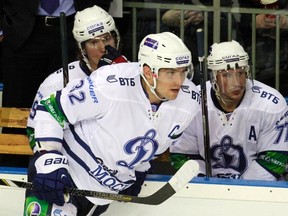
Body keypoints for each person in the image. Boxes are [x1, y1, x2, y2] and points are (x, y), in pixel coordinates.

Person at [24, 32, 200, 215]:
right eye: (170, 72)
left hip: (101, 194)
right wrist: (48, 159)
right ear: (148, 71)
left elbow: (154, 136)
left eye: (182, 71)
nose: (179, 81)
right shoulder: (110, 83)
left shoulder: (189, 102)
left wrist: (140, 167)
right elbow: (51, 108)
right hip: (63, 176)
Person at [0, 0, 113, 167]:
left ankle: (71, 169)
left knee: (74, 101)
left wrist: (95, 19)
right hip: (22, 29)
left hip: (73, 28)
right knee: (18, 101)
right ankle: (12, 174)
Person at [170, 40, 288, 180]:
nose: (237, 83)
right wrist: (205, 185)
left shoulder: (270, 104)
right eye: (227, 75)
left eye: (241, 73)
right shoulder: (191, 102)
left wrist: (239, 191)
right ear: (213, 77)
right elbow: (182, 155)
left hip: (257, 192)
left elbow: (274, 158)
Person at [27, 5, 128, 152]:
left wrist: (123, 76)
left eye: (107, 38)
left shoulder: (133, 75)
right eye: (93, 42)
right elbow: (33, 131)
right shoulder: (56, 82)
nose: (103, 47)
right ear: (82, 48)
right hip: (71, 163)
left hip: (117, 162)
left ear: (116, 38)